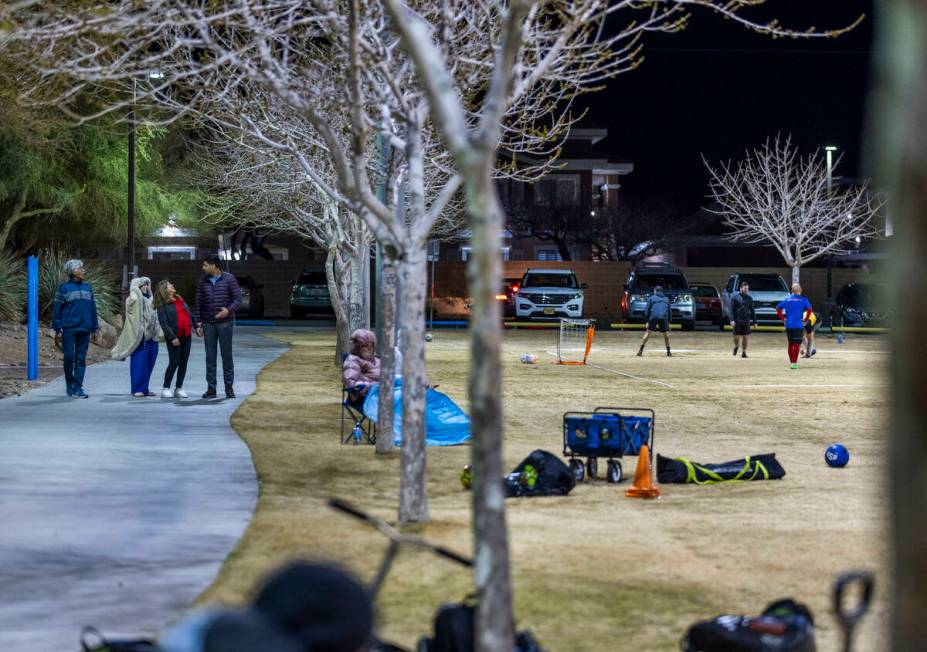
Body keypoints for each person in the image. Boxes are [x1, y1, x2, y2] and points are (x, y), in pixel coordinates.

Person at [194, 254, 242, 399]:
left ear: (214, 266)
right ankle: (211, 388)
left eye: (205, 265)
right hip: (208, 324)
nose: (203, 268)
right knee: (210, 357)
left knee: (226, 355)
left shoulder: (229, 279)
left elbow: (238, 299)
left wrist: (228, 310)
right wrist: (197, 323)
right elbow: (198, 303)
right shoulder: (202, 282)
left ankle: (229, 387)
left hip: (225, 323)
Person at [52, 259, 99, 398]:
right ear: (73, 271)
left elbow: (93, 308)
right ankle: (69, 385)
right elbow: (56, 309)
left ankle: (78, 387)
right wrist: (58, 328)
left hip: (85, 328)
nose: (84, 270)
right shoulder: (63, 288)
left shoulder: (88, 287)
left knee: (81, 359)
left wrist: (95, 327)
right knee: (68, 357)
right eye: (81, 268)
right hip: (69, 328)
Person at [111, 276, 161, 397]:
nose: (145, 287)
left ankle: (145, 388)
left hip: (152, 336)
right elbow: (133, 311)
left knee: (149, 362)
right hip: (141, 337)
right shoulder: (133, 298)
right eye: (142, 285)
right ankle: (137, 388)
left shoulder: (151, 298)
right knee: (139, 363)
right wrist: (137, 292)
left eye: (147, 284)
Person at [155, 279, 194, 399]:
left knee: (183, 363)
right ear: (164, 290)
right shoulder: (162, 305)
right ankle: (166, 387)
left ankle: (179, 388)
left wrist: (196, 325)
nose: (172, 285)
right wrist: (172, 337)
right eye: (169, 285)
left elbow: (189, 314)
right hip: (175, 338)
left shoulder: (179, 299)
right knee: (174, 362)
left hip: (186, 336)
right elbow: (164, 323)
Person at [776, 283, 813, 370]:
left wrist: (783, 319)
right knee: (796, 344)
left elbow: (778, 308)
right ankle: (794, 363)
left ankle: (792, 362)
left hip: (789, 325)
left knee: (790, 344)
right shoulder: (804, 299)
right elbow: (809, 309)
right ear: (800, 290)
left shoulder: (787, 299)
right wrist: (806, 320)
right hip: (798, 325)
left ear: (792, 291)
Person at [342, 328, 380, 405]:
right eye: (366, 346)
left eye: (372, 345)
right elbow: (350, 383)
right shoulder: (352, 361)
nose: (370, 348)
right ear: (357, 348)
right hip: (367, 398)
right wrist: (371, 386)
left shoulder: (377, 360)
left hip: (384, 393)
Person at [637, 285, 672, 357]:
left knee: (648, 332)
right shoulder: (666, 299)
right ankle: (668, 352)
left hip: (653, 316)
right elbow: (669, 311)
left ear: (655, 291)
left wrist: (647, 321)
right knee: (666, 334)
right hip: (663, 317)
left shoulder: (651, 298)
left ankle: (640, 350)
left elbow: (647, 311)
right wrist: (669, 322)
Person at [730, 280, 756, 358]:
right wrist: (732, 320)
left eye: (747, 289)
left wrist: (755, 321)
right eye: (745, 289)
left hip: (746, 320)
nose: (746, 290)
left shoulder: (750, 298)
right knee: (736, 337)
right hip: (737, 320)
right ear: (740, 288)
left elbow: (752, 310)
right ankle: (736, 346)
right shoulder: (735, 298)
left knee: (745, 336)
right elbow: (731, 310)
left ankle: (744, 352)